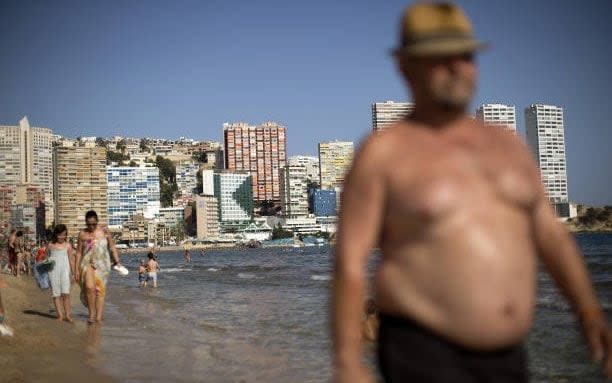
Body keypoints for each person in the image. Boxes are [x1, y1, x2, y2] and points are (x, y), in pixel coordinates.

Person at [332, 3, 612, 382]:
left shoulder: (509, 146)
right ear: (404, 66)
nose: (457, 67)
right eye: (439, 57)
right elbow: (350, 263)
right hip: (423, 353)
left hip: (507, 358)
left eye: (465, 55)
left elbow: (551, 237)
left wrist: (589, 312)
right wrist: (349, 362)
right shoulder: (384, 154)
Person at [75, 210, 124, 324]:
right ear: (86, 223)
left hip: (103, 264)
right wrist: (76, 269)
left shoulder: (104, 231)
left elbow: (112, 247)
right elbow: (78, 253)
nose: (91, 226)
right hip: (87, 263)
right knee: (89, 287)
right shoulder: (82, 234)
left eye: (93, 224)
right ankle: (91, 314)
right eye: (89, 224)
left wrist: (117, 261)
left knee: (100, 290)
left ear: (97, 221)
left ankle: (99, 317)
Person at [46, 225, 75, 322]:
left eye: (64, 235)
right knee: (56, 294)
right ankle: (60, 315)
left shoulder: (68, 245)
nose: (62, 237)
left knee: (66, 294)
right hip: (53, 271)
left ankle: (67, 315)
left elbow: (71, 260)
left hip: (65, 271)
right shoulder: (50, 245)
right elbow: (46, 258)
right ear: (56, 234)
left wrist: (74, 274)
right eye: (59, 235)